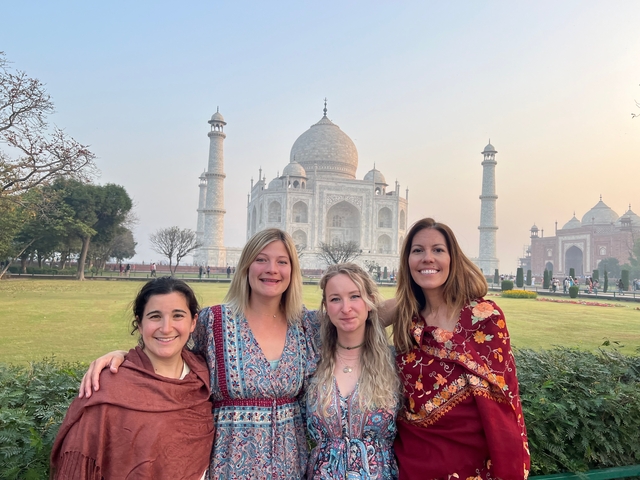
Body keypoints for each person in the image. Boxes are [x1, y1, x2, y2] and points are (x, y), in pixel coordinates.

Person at [79, 229, 337, 478]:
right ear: (246, 266)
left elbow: (358, 321)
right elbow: (169, 348)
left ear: (292, 271)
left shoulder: (306, 324)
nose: (272, 269)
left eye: (282, 261)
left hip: (290, 465)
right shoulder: (214, 322)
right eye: (261, 260)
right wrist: (124, 355)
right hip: (227, 464)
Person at [393, 218, 530, 479]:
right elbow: (354, 319)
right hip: (417, 463)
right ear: (407, 260)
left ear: (452, 258)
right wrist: (401, 303)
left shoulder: (484, 317)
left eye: (438, 250)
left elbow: (504, 399)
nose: (427, 258)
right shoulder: (409, 324)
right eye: (418, 250)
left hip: (478, 465)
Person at [51, 277, 214, 479]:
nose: (166, 328)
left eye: (178, 315)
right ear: (139, 323)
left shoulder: (205, 378)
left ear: (193, 322)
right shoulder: (107, 385)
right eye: (155, 316)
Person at [306, 264, 400, 479]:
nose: (345, 308)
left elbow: (416, 297)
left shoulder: (394, 362)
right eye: (335, 299)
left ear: (370, 302)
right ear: (326, 307)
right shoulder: (312, 358)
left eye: (355, 296)